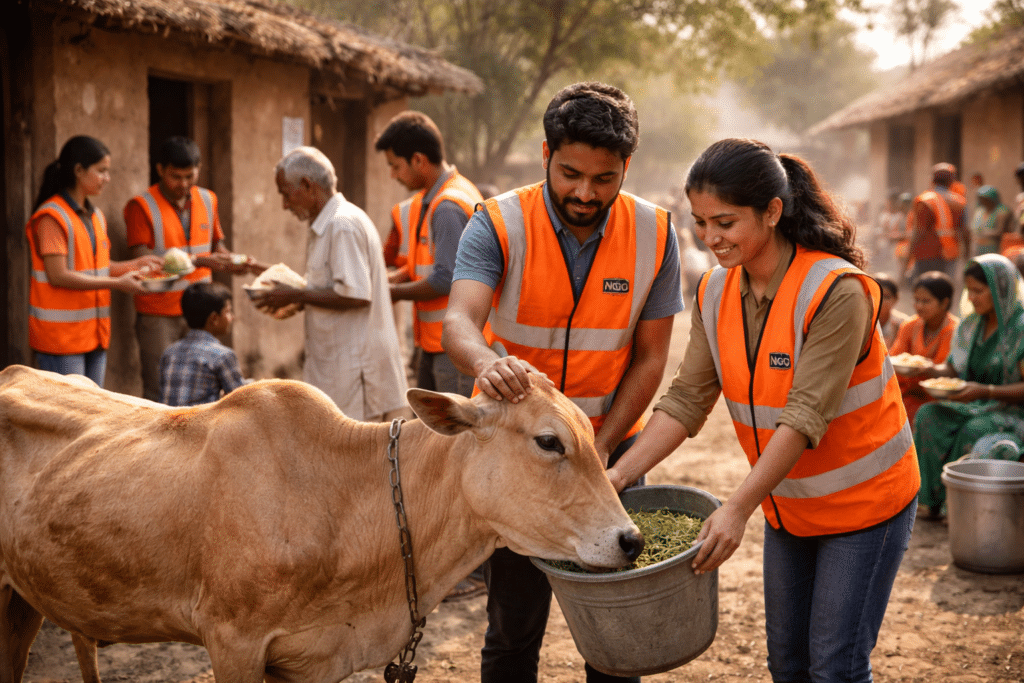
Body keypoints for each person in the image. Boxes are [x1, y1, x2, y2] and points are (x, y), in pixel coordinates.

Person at [606, 138, 919, 683]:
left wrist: (736, 508)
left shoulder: (837, 292)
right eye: (701, 223)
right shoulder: (713, 291)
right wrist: (618, 474)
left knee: (835, 665)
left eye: (725, 223)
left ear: (773, 212)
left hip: (867, 507)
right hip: (792, 507)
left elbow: (803, 418)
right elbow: (685, 400)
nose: (710, 239)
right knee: (787, 663)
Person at [443, 81, 683, 683]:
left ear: (626, 166)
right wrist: (483, 362)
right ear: (546, 153)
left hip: (610, 446)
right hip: (519, 457)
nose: (585, 192)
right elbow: (458, 322)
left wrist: (600, 450)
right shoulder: (496, 222)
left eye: (604, 179)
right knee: (513, 629)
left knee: (615, 630)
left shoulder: (656, 232)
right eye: (570, 173)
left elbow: (653, 357)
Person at [254, 146, 409, 422]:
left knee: (356, 459)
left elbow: (355, 294)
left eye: (286, 194)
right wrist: (290, 291)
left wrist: (296, 294)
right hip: (341, 369)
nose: (285, 205)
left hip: (357, 373)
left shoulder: (341, 225)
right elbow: (326, 286)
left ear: (307, 186)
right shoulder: (327, 223)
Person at [126, 136, 256, 401]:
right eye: (176, 176)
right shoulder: (141, 206)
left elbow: (217, 245)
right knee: (158, 391)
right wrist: (200, 261)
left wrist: (232, 261)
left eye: (190, 176)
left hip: (200, 312)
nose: (183, 184)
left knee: (204, 391)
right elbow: (140, 259)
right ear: (160, 170)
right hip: (159, 313)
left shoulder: (208, 199)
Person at [26, 135, 162, 386]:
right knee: (68, 418)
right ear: (79, 170)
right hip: (61, 340)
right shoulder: (51, 217)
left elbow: (98, 267)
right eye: (101, 171)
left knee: (89, 415)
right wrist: (117, 283)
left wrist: (136, 266)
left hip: (94, 335)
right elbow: (59, 275)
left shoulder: (95, 215)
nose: (107, 179)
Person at [374, 111, 485, 398]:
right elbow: (427, 265)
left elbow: (445, 278)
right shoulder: (438, 196)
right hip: (436, 342)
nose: (393, 175)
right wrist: (399, 277)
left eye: (395, 166)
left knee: (451, 436)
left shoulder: (447, 206)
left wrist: (392, 293)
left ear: (419, 160)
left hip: (453, 345)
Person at [911, 254, 1024, 517]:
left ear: (1000, 289)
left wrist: (987, 391)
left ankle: (959, 508)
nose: (971, 298)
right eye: (969, 290)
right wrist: (925, 367)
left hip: (1011, 411)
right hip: (975, 404)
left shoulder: (1020, 329)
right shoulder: (971, 325)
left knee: (974, 430)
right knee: (929, 415)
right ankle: (929, 501)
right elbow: (953, 369)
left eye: (978, 291)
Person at [160, 282, 249, 406]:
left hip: (168, 423)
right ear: (214, 319)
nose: (232, 317)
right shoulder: (223, 355)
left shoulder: (170, 352)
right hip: (200, 424)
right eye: (228, 312)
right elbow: (241, 399)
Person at [889, 271, 958, 422]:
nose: (919, 306)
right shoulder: (909, 326)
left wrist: (925, 369)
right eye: (916, 300)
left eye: (926, 301)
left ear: (944, 303)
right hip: (907, 393)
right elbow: (894, 359)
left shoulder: (955, 331)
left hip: (939, 399)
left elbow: (947, 369)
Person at [905, 163, 968, 284]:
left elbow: (919, 232)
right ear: (952, 181)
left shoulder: (925, 200)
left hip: (926, 253)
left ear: (932, 179)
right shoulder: (959, 202)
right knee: (946, 287)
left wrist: (907, 260)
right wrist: (967, 254)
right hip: (950, 253)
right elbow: (965, 230)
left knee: (926, 288)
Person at [969, 185, 1012, 256]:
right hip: (978, 247)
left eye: (985, 199)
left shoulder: (1001, 212)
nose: (982, 201)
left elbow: (1000, 231)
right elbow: (973, 228)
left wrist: (983, 233)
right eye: (981, 199)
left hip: (994, 248)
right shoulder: (980, 211)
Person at [874, 272, 908, 348]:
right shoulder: (862, 321)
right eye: (876, 295)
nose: (881, 301)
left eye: (886, 297)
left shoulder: (903, 323)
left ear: (895, 299)